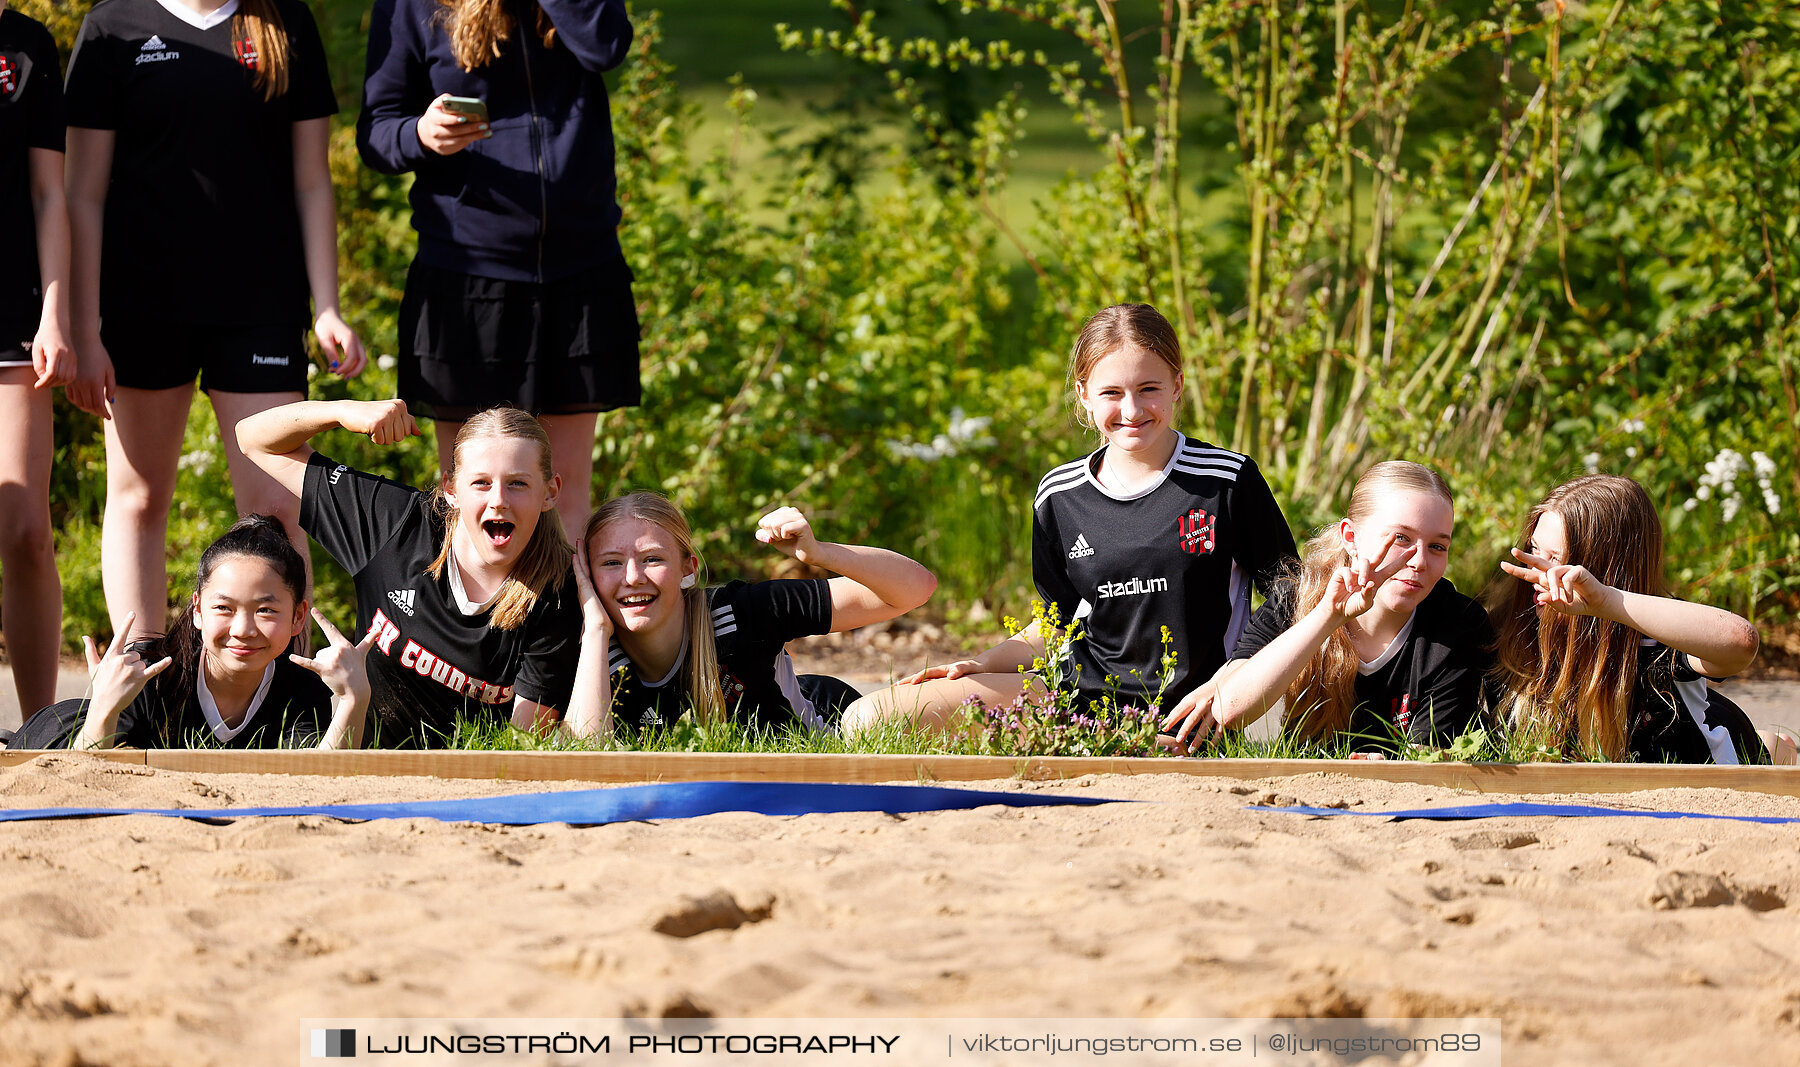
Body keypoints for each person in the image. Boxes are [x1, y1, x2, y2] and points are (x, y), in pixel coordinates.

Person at [842, 303, 1296, 738]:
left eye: (1149, 389)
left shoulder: (1226, 480)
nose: (1132, 410)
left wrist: (1233, 677)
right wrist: (984, 663)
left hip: (1188, 714)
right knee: (868, 717)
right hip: (1074, 707)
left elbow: (1289, 590)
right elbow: (1060, 622)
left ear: (1177, 385)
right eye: (1112, 393)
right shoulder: (1059, 495)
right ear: (1084, 395)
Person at [62, 0, 366, 641]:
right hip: (139, 306)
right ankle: (141, 691)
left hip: (259, 306)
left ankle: (286, 699)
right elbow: (81, 193)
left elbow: (312, 180)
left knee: (277, 508)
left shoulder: (284, 19)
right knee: (140, 499)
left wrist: (328, 304)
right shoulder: (112, 24)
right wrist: (83, 326)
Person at [357, 0, 638, 537]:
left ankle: (566, 623)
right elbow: (376, 130)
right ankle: (476, 622)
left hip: (580, 269)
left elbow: (606, 44)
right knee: (474, 496)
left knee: (564, 493)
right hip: (466, 273)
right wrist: (420, 134)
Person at [238, 399, 581, 747]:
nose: (498, 500)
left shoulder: (557, 592)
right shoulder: (395, 521)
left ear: (550, 492)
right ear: (450, 490)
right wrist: (341, 413)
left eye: (518, 484)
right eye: (480, 483)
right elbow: (251, 438)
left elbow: (523, 746)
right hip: (354, 758)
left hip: (463, 784)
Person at [1162, 460, 1493, 756]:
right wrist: (1328, 616)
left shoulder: (1459, 623)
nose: (1419, 561)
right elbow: (1230, 709)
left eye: (1437, 546)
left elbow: (1431, 753)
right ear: (1351, 536)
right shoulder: (1295, 595)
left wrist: (1394, 764)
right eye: (1401, 539)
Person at [562, 493, 937, 738]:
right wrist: (595, 631)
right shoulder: (590, 650)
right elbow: (585, 752)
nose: (632, 578)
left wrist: (820, 553)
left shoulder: (740, 612)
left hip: (830, 713)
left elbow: (915, 588)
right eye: (611, 563)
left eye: (652, 559)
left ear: (688, 569)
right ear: (588, 576)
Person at [4, 516, 370, 750]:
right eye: (223, 608)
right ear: (197, 610)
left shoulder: (299, 689)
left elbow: (315, 782)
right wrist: (102, 707)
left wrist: (354, 699)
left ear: (298, 617)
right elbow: (80, 780)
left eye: (265, 610)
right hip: (52, 738)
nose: (242, 630)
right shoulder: (150, 676)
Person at [1486, 474, 1776, 764]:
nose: (1538, 571)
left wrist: (1605, 602)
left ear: (1601, 569)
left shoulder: (1658, 635)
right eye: (1535, 550)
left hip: (1721, 738)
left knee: (1768, 747)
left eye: (1556, 559)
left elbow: (1741, 642)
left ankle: (1775, 745)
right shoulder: (1515, 625)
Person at [0, 0, 73, 717]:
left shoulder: (27, 46)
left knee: (23, 527)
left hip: (15, 320)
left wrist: (56, 313)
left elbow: (51, 194)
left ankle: (37, 728)